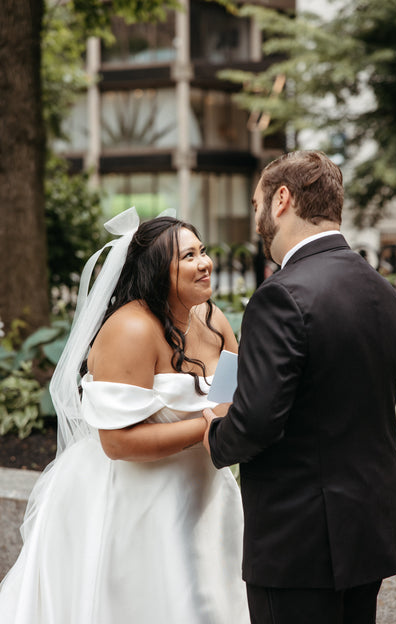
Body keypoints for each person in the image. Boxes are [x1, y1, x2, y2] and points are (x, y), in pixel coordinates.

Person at [0, 208, 250, 623]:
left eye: (202, 251)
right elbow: (117, 443)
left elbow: (231, 393)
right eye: (188, 257)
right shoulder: (131, 329)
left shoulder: (214, 318)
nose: (205, 263)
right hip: (136, 498)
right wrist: (208, 427)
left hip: (204, 493)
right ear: (156, 271)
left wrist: (225, 421)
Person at [203, 150, 396, 624]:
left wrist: (213, 432)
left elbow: (255, 421)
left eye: (256, 203)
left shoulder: (280, 295)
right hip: (366, 530)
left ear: (281, 199)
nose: (256, 218)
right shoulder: (381, 290)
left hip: (299, 542)